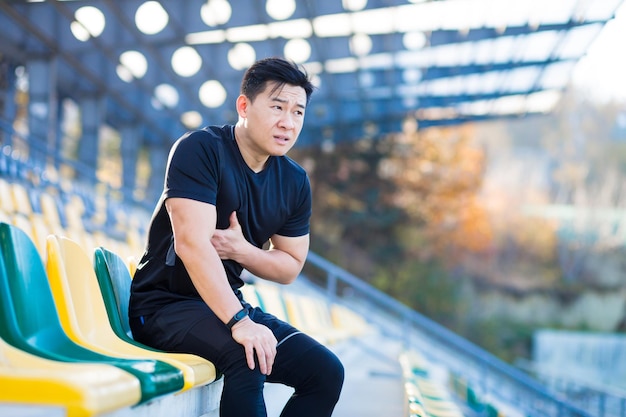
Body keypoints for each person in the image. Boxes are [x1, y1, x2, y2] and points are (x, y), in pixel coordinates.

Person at [128, 57, 344, 417]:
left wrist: (242, 251)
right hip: (164, 305)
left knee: (325, 372)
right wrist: (240, 323)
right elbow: (191, 244)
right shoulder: (200, 149)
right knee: (248, 355)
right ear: (244, 105)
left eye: (298, 112)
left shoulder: (293, 182)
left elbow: (290, 266)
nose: (287, 123)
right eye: (277, 107)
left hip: (225, 305)